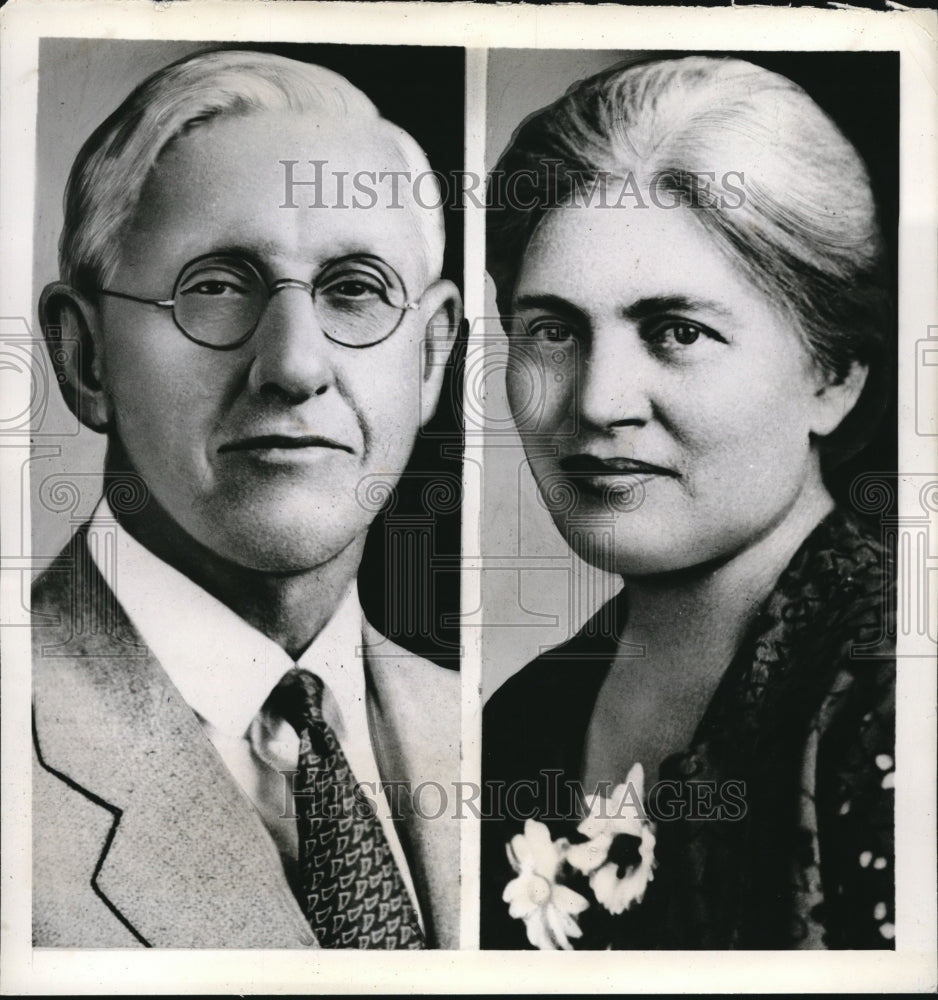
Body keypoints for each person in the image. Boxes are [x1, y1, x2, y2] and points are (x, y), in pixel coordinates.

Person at [32, 49, 462, 949]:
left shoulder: (493, 732)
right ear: (86, 358)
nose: (296, 366)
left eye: (355, 291)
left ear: (429, 361)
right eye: (217, 287)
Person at [481, 56, 895, 950]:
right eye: (552, 329)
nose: (598, 402)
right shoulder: (512, 726)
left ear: (835, 375)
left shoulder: (898, 686)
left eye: (678, 333)